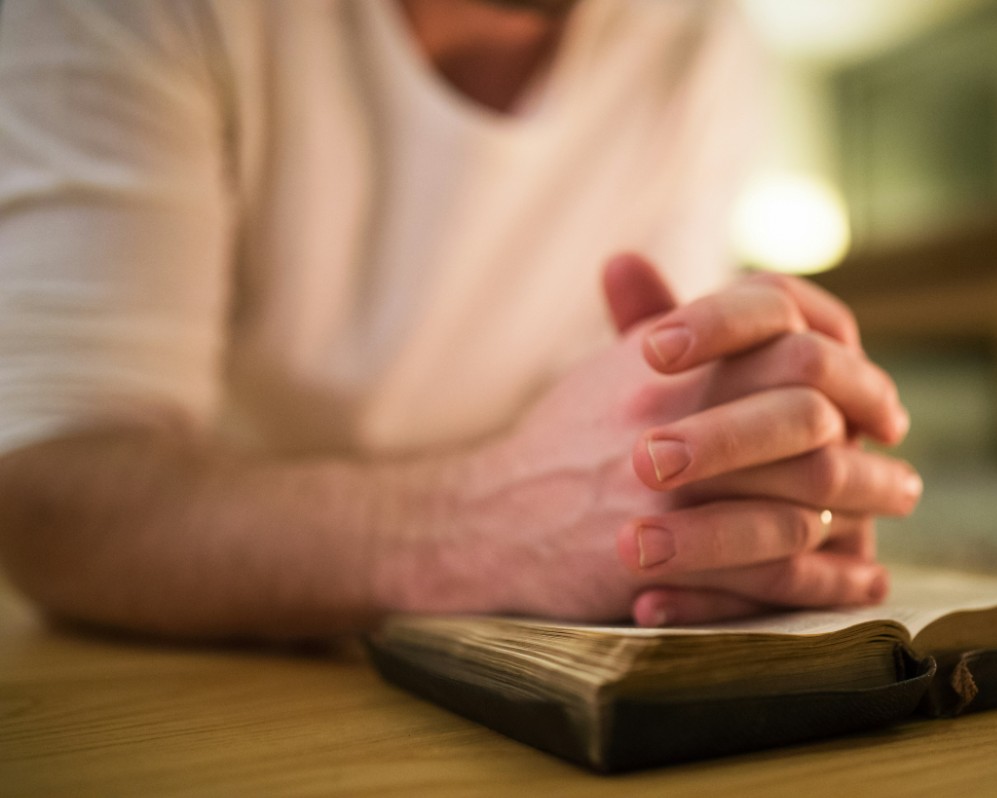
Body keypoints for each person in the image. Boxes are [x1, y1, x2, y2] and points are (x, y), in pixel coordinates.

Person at [0, 0, 920, 640]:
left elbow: (637, 433)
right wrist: (479, 528)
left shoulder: (702, 38)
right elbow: (48, 492)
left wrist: (748, 481)